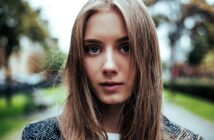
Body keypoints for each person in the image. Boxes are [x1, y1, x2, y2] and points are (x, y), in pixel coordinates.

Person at [22, 0, 204, 139]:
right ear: (78, 59)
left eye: (126, 48)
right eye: (93, 49)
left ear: (147, 56)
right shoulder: (38, 136)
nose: (109, 66)